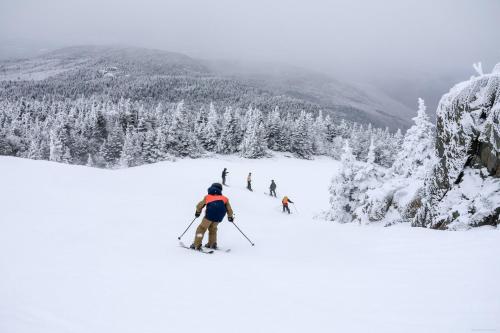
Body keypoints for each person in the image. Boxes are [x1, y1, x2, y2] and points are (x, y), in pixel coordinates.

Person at [190, 183, 234, 250]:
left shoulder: (207, 197)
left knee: (201, 229)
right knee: (213, 229)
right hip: (219, 217)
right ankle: (212, 244)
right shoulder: (225, 198)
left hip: (209, 216)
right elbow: (229, 209)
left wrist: (198, 212)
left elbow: (199, 205)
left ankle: (196, 244)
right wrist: (230, 217)